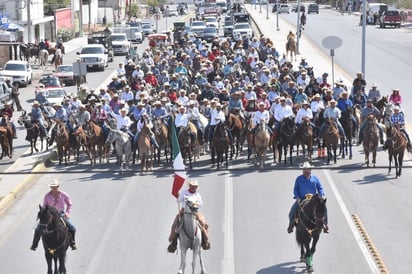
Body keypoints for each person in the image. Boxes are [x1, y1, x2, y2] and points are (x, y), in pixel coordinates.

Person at [30, 179, 77, 251]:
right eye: (52, 187)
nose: (53, 188)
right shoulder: (47, 196)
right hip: (49, 215)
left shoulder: (63, 195)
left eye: (55, 186)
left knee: (72, 228)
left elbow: (69, 204)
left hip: (60, 214)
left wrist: (67, 213)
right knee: (37, 229)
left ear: (58, 186)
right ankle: (34, 244)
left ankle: (72, 243)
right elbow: (44, 206)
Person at [168, 180, 210, 253]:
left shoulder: (197, 194)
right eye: (192, 186)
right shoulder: (184, 192)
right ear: (190, 186)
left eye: (195, 187)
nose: (194, 188)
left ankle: (205, 240)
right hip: (184, 211)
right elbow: (179, 201)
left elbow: (201, 204)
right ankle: (173, 242)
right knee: (175, 224)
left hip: (194, 211)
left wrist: (195, 204)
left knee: (203, 223)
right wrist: (179, 197)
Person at [287, 162, 329, 234]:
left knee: (324, 210)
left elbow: (320, 188)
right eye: (304, 170)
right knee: (292, 212)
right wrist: (297, 197)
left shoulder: (315, 179)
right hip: (302, 199)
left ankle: (325, 225)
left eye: (307, 170)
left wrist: (322, 195)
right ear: (302, 170)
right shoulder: (299, 179)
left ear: (310, 170)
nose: (306, 171)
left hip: (313, 199)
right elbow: (295, 189)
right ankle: (291, 225)